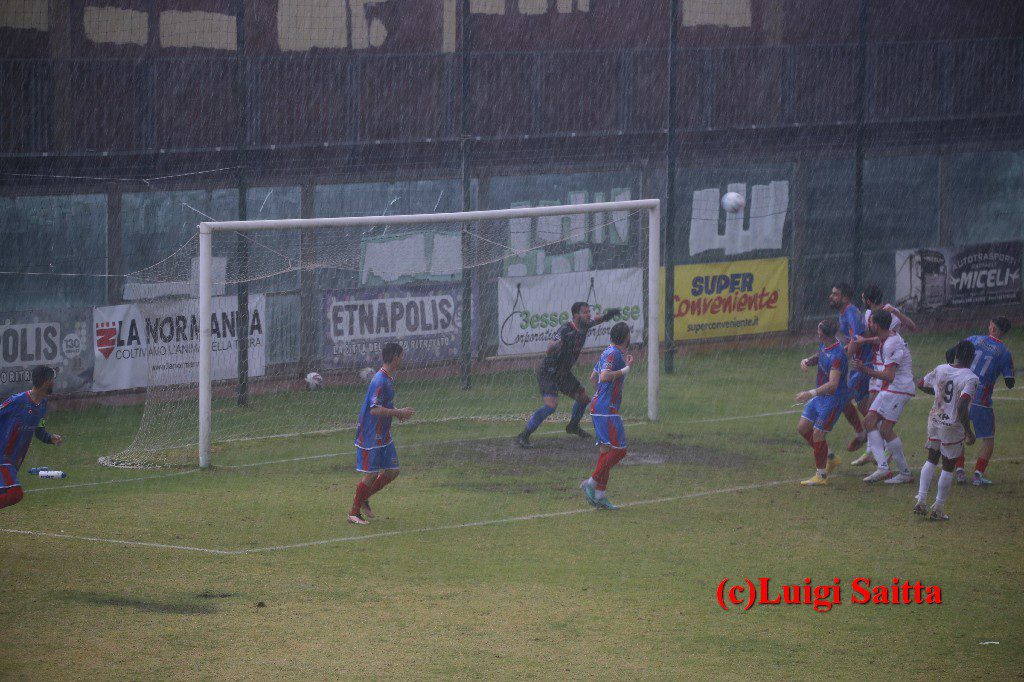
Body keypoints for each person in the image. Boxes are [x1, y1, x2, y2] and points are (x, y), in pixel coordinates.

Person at [515, 302, 620, 448]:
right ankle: (523, 435)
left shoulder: (585, 326)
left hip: (563, 373)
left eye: (589, 312)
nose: (588, 315)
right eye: (585, 312)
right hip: (548, 372)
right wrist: (559, 343)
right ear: (576, 315)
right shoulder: (565, 329)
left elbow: (597, 320)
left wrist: (608, 315)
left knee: (583, 398)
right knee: (551, 406)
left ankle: (573, 426)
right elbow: (549, 349)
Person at [848, 284, 917, 467]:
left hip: (886, 368)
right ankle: (874, 451)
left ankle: (883, 453)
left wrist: (865, 340)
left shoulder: (889, 314)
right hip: (877, 365)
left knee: (875, 416)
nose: (862, 300)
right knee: (869, 413)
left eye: (863, 297)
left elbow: (902, 330)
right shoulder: (868, 314)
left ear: (869, 300)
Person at [348, 342, 414, 525]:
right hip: (371, 434)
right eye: (401, 356)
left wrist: (397, 412)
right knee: (371, 474)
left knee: (392, 471)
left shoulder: (388, 378)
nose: (403, 359)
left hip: (383, 434)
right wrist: (398, 412)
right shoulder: (380, 380)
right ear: (395, 358)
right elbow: (374, 410)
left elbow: (384, 405)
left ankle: (364, 498)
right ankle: (353, 513)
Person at [914, 340, 978, 520]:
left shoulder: (941, 368)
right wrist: (968, 431)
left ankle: (921, 500)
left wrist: (938, 394)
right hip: (952, 425)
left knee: (931, 458)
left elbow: (921, 383)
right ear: (972, 357)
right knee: (948, 466)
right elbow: (962, 405)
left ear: (956, 354)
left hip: (935, 419)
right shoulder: (971, 378)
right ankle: (938, 508)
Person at [952, 317, 1015, 486]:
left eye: (990, 324)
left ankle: (959, 471)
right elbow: (1010, 382)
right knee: (988, 438)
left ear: (993, 328)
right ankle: (978, 476)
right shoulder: (1005, 353)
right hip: (982, 401)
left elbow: (954, 351)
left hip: (963, 394)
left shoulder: (974, 339)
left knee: (959, 432)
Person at [580, 322, 632, 510]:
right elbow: (603, 376)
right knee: (620, 450)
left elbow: (592, 377)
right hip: (605, 409)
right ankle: (592, 482)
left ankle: (600, 495)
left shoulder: (607, 352)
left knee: (606, 451)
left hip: (600, 406)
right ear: (626, 337)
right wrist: (626, 369)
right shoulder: (614, 353)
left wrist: (601, 394)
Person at [0, 366, 63, 510]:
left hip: (14, 461)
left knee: (6, 494)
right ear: (47, 382)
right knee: (14, 494)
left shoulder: (42, 404)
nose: (54, 382)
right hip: (2, 457)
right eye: (53, 379)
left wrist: (50, 438)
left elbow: (39, 430)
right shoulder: (17, 401)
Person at [795, 319, 849, 486]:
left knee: (818, 434)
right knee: (803, 428)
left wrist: (809, 393)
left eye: (818, 331)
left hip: (832, 399)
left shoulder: (838, 355)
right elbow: (821, 355)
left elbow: (833, 385)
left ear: (823, 334)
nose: (817, 333)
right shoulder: (827, 343)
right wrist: (808, 361)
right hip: (820, 397)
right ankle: (830, 457)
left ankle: (821, 475)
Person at [828, 282, 870, 454]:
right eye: (832, 293)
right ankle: (875, 436)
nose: (831, 297)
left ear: (845, 298)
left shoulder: (850, 311)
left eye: (835, 294)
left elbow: (856, 338)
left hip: (863, 363)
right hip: (857, 363)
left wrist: (842, 358)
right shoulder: (844, 312)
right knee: (862, 405)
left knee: (844, 398)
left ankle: (868, 434)